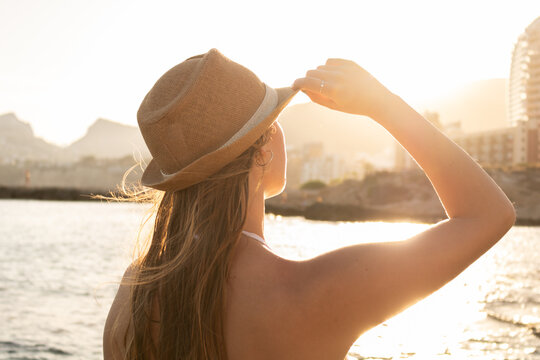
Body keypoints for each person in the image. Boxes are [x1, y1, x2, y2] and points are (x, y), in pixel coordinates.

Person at [103, 48, 515, 360]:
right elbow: (489, 214)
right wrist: (383, 104)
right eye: (273, 122)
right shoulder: (313, 293)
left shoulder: (132, 297)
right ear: (263, 149)